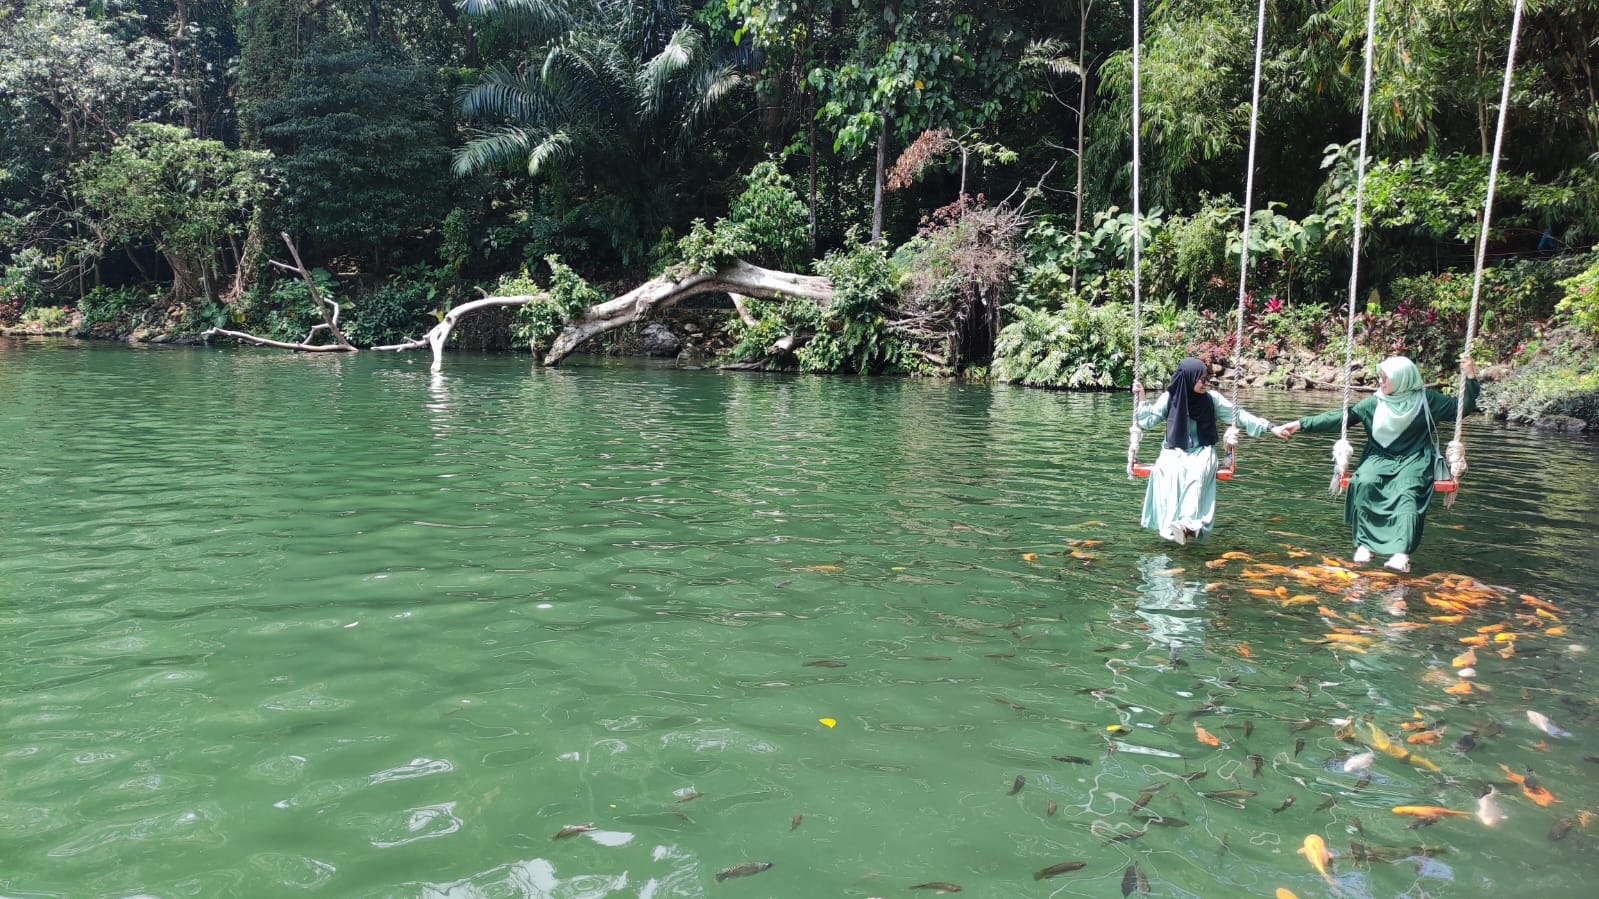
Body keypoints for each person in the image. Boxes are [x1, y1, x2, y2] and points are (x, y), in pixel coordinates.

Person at [1271, 355, 1479, 572]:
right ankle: (1365, 544)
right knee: (1364, 481)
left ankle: (1401, 552)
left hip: (1414, 458)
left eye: (1385, 378)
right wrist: (1300, 424)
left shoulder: (1427, 400)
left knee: (1408, 491)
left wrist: (1471, 376)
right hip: (1379, 457)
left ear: (1402, 379)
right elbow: (1341, 417)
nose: (1380, 382)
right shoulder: (1374, 402)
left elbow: (1462, 408)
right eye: (1380, 377)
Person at [1133, 357, 1273, 545]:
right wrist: (1141, 396)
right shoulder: (1170, 398)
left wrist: (1269, 426)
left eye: (1207, 378)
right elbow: (1147, 421)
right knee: (1167, 470)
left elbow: (1238, 415)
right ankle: (1170, 524)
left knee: (1198, 472)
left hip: (1202, 449)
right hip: (1174, 449)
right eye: (1201, 379)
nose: (1205, 383)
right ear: (1188, 379)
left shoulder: (1211, 399)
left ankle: (1187, 525)